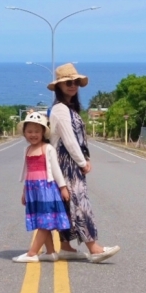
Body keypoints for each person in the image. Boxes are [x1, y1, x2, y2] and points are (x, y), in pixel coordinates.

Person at [48, 63, 121, 264]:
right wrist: (82, 161)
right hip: (66, 163)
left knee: (67, 204)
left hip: (67, 162)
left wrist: (85, 158)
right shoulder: (61, 110)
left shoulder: (67, 108)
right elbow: (69, 140)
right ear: (60, 87)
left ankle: (64, 247)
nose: (73, 86)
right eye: (68, 82)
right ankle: (93, 247)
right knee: (80, 204)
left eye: (76, 82)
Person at [13, 112, 72, 263]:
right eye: (30, 131)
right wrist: (24, 192)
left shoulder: (47, 148)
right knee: (41, 220)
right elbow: (27, 172)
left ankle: (32, 253)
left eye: (37, 131)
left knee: (45, 221)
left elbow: (56, 169)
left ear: (43, 133)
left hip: (46, 188)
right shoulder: (27, 150)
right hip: (33, 189)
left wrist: (63, 187)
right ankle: (50, 252)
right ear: (25, 133)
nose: (33, 135)